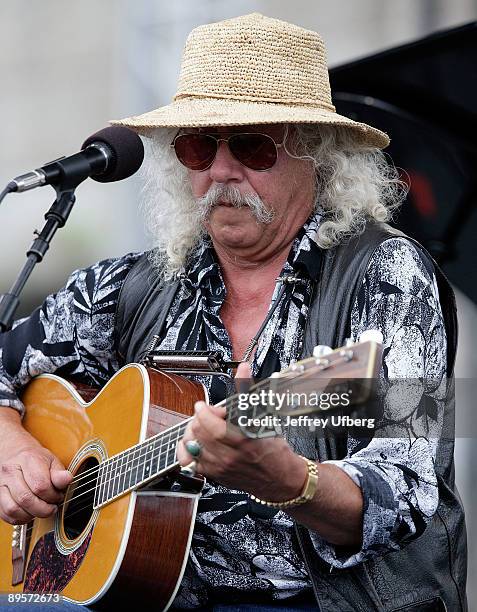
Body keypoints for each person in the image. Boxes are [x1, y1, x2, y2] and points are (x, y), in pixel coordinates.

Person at [0, 13, 467, 612]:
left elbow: (407, 491)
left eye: (250, 145)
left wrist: (292, 483)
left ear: (317, 155)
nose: (221, 170)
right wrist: (13, 447)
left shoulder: (388, 277)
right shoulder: (133, 286)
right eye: (199, 147)